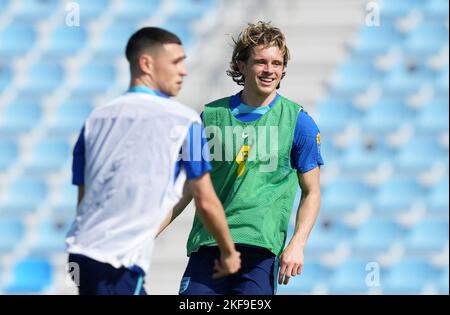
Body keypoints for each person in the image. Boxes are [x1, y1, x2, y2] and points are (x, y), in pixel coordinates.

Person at [65, 27, 240, 295]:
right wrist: (229, 252)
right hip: (118, 263)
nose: (184, 71)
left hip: (83, 256)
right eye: (176, 62)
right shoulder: (184, 121)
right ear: (146, 64)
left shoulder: (95, 120)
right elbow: (205, 199)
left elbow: (84, 202)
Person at [159, 21, 323, 295]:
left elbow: (312, 192)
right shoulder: (210, 117)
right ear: (241, 65)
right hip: (210, 247)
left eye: (277, 63)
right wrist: (145, 235)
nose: (269, 70)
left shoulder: (298, 122)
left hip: (260, 254)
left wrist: (298, 244)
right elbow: (186, 188)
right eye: (260, 62)